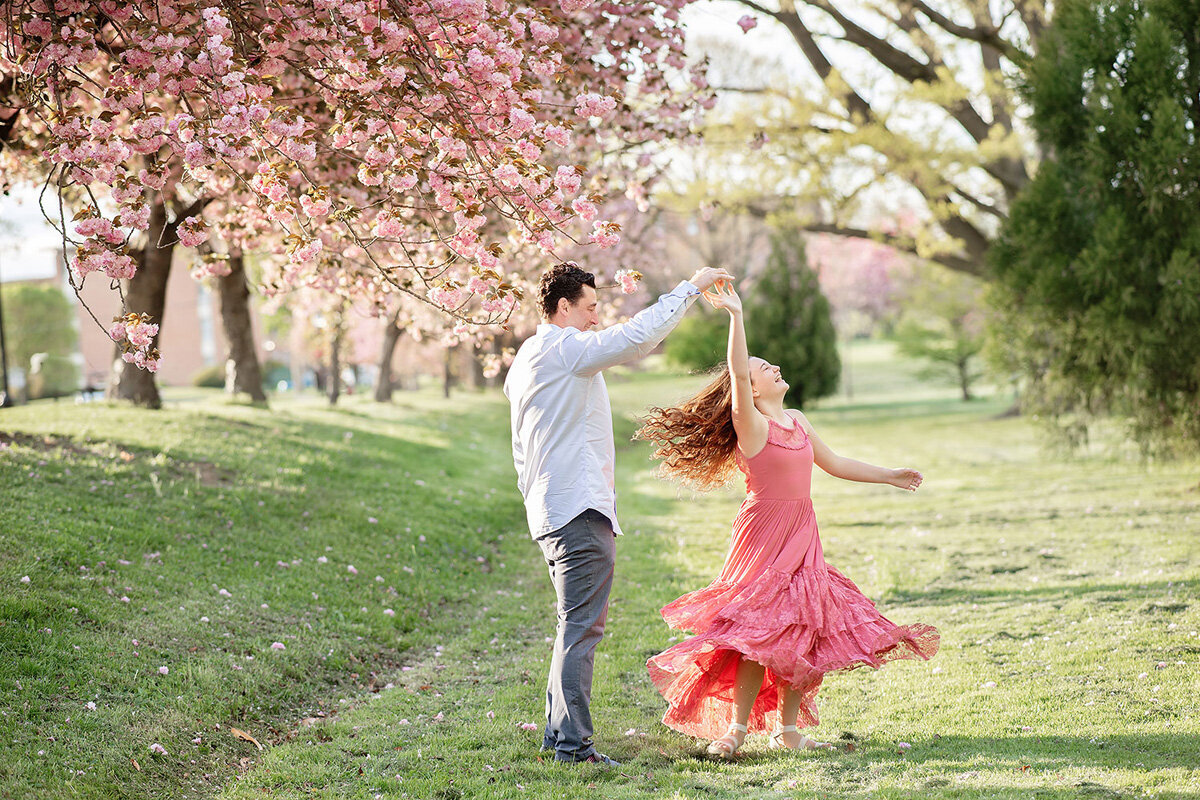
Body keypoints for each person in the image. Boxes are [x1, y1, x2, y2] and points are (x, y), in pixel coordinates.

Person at [637, 280, 939, 757]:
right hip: (763, 536)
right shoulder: (751, 425)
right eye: (763, 368)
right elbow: (736, 373)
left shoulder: (796, 420)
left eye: (770, 365)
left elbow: (835, 464)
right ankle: (736, 730)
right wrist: (737, 318)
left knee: (803, 623)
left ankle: (789, 729)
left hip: (803, 532)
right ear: (752, 390)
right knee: (756, 631)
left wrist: (890, 476)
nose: (773, 367)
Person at [504, 261, 734, 765]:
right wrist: (689, 289)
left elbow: (521, 448)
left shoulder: (527, 357)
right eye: (588, 309)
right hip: (577, 510)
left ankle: (558, 736)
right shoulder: (564, 349)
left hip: (550, 508)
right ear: (563, 307)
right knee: (581, 628)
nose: (594, 320)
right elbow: (634, 340)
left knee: (573, 625)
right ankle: (572, 746)